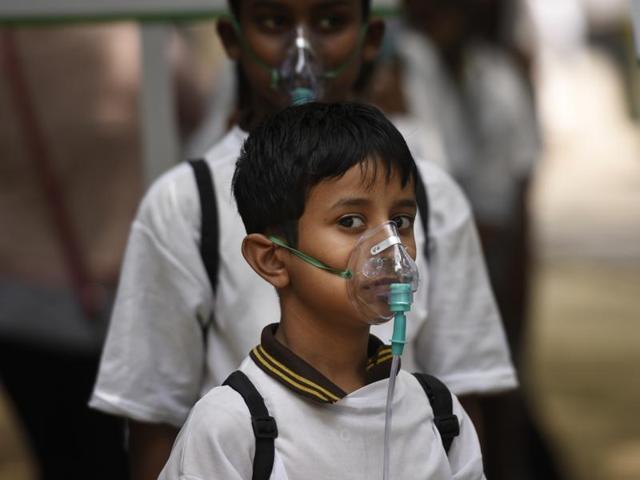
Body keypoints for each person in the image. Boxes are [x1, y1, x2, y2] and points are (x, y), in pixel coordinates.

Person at [90, 1, 517, 478]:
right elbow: (154, 419)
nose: (302, 49)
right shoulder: (186, 204)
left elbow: (465, 396)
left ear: (370, 38)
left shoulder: (433, 198)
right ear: (232, 40)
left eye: (331, 22)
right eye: (274, 22)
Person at [159, 101, 485, 480]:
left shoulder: (438, 416)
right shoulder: (234, 427)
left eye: (400, 220)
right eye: (350, 221)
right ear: (273, 260)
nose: (391, 247)